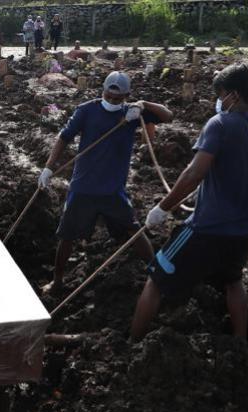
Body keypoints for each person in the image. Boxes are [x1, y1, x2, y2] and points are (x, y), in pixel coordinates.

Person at [131, 62, 248, 341]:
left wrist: (163, 208)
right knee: (233, 282)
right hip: (244, 230)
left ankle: (132, 342)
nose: (219, 101)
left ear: (233, 95)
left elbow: (194, 172)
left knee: (156, 279)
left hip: (205, 229)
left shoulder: (220, 124)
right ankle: (239, 345)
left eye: (221, 94)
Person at [38, 71, 173, 294]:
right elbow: (64, 137)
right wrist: (49, 167)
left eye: (117, 99)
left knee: (133, 230)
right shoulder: (87, 110)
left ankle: (156, 273)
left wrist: (142, 104)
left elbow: (168, 116)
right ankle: (58, 280)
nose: (111, 101)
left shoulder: (132, 113)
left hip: (113, 190)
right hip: (83, 187)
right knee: (67, 235)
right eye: (108, 96)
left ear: (127, 96)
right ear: (103, 91)